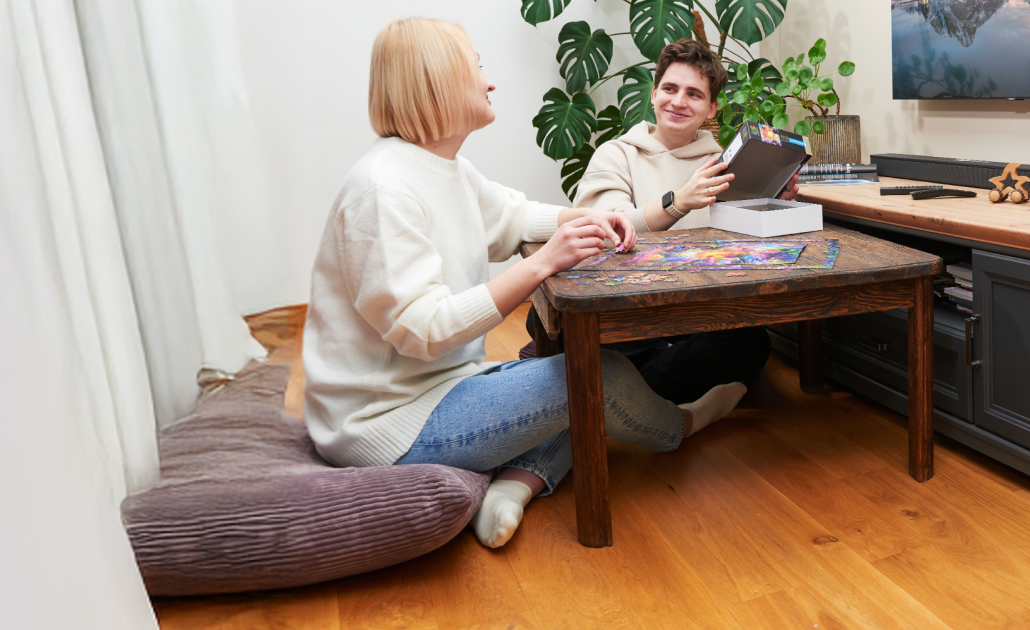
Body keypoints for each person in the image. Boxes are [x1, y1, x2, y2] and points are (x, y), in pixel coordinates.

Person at [303, 18, 745, 549]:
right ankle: (679, 427)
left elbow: (514, 216)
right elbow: (421, 330)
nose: (490, 83)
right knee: (593, 377)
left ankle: (516, 482)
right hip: (384, 423)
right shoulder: (383, 188)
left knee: (572, 382)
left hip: (441, 386)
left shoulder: (444, 169)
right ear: (438, 81)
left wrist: (588, 222)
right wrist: (542, 264)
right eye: (478, 69)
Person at [552, 38, 795, 403]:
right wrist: (677, 202)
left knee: (750, 342)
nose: (678, 101)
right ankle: (663, 398)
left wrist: (771, 200)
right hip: (629, 306)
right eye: (670, 88)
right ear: (652, 94)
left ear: (712, 108)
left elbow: (744, 250)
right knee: (574, 331)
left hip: (697, 309)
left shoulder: (724, 165)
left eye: (694, 94)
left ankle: (616, 397)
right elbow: (606, 232)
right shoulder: (615, 154)